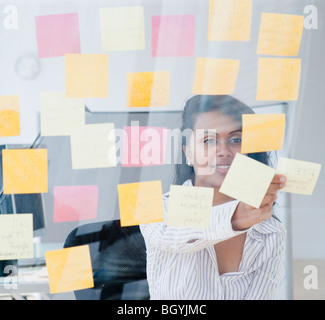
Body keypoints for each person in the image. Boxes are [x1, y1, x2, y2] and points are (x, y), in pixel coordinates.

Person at [140, 95, 287, 300]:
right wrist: (237, 218)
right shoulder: (158, 209)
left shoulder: (270, 231)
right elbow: (176, 234)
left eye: (236, 139)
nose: (224, 151)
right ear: (189, 154)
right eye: (208, 140)